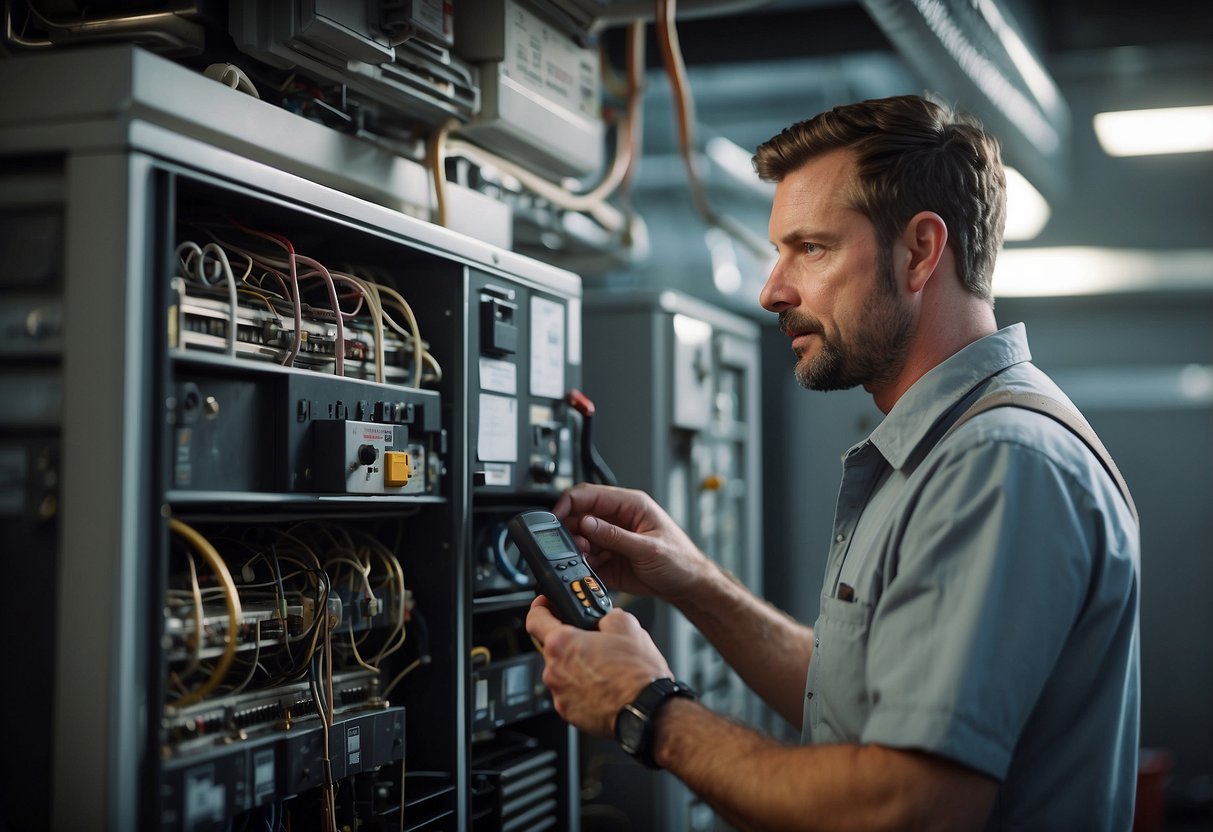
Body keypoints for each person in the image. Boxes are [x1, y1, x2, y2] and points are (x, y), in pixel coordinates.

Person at [526, 94, 1140, 830]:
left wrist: (647, 709)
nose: (770, 291)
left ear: (919, 251)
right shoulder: (951, 445)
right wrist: (692, 580)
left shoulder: (993, 461)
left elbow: (905, 807)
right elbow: (857, 696)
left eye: (810, 248)